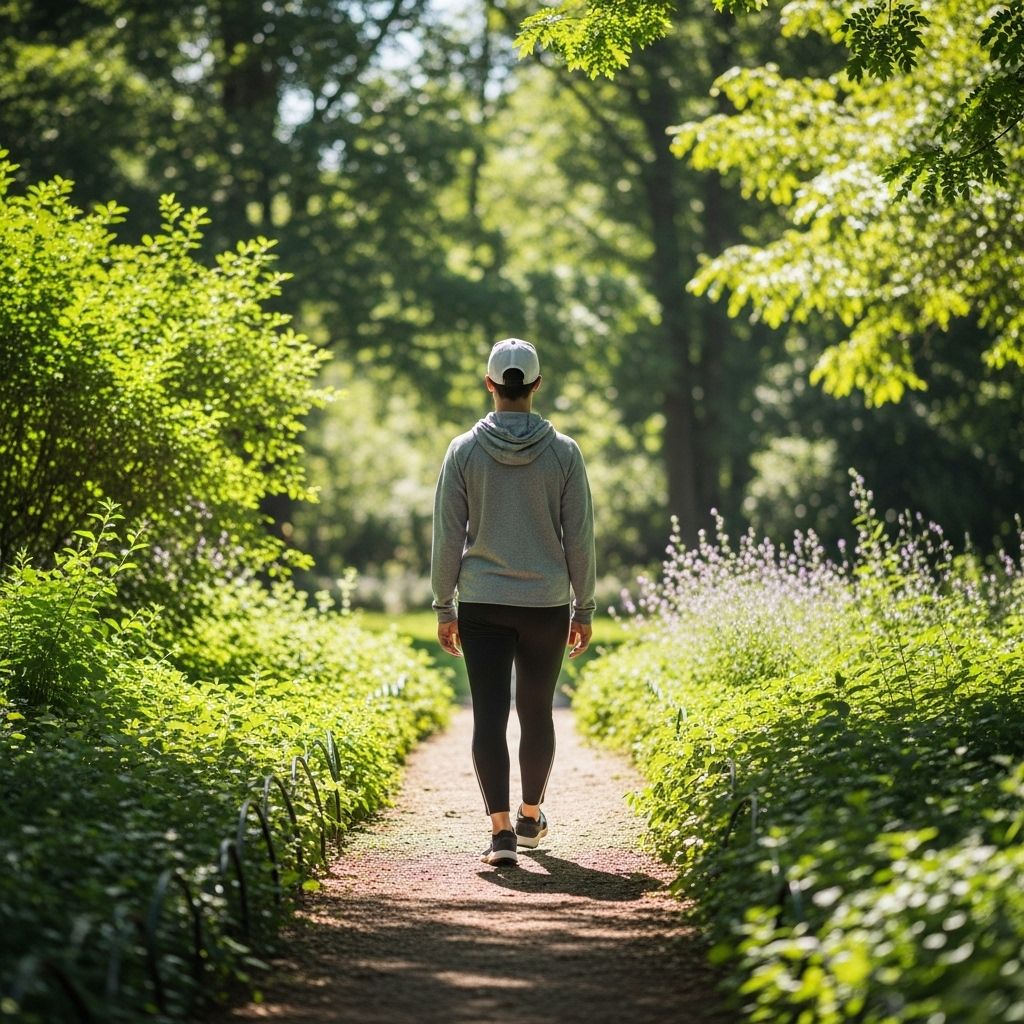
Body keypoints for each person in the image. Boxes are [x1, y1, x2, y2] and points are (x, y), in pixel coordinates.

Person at [431, 338, 596, 866]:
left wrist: (444, 605)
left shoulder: (463, 451)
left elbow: (447, 536)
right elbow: (579, 538)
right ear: (536, 385)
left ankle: (500, 832)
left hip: (482, 602)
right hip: (546, 604)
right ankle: (530, 816)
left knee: (489, 715)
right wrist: (584, 607)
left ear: (490, 384)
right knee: (536, 711)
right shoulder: (564, 453)